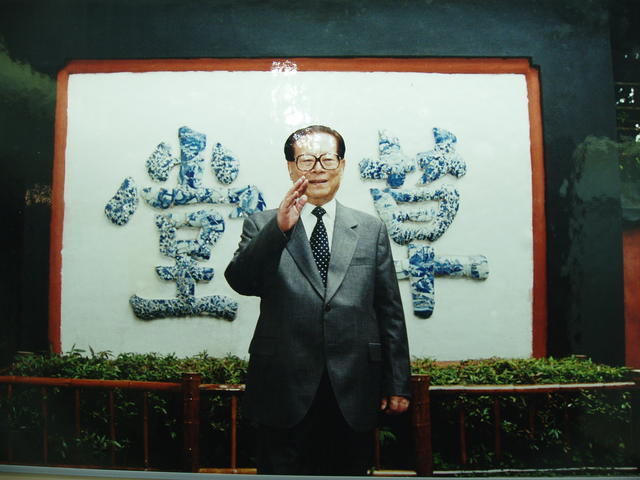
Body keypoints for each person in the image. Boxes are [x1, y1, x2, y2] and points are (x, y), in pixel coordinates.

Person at [225, 125, 411, 475]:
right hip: (282, 386)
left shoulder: (370, 229)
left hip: (354, 386)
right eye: (307, 159)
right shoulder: (264, 223)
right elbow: (242, 281)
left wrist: (397, 382)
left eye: (327, 159)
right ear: (291, 168)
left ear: (341, 165)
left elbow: (389, 312)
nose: (318, 168)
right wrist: (278, 229)